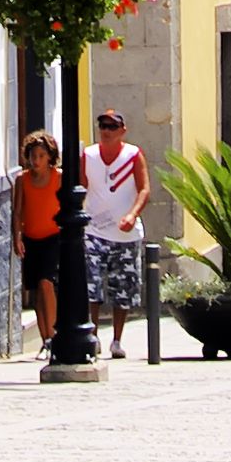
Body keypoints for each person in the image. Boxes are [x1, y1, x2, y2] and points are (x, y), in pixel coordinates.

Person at [80, 109, 151, 360]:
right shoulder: (88, 155)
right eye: (103, 126)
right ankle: (93, 335)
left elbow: (144, 189)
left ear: (122, 130)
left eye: (112, 126)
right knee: (92, 285)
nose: (107, 131)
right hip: (94, 231)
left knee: (124, 289)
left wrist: (132, 215)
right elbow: (81, 187)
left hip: (126, 236)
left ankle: (117, 340)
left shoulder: (133, 155)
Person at [13, 130, 64, 355]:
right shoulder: (22, 180)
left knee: (46, 283)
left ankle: (53, 335)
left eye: (42, 156)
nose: (36, 161)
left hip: (53, 237)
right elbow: (17, 212)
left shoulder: (59, 177)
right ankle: (45, 339)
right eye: (33, 156)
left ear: (50, 157)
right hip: (31, 238)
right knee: (35, 290)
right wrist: (17, 237)